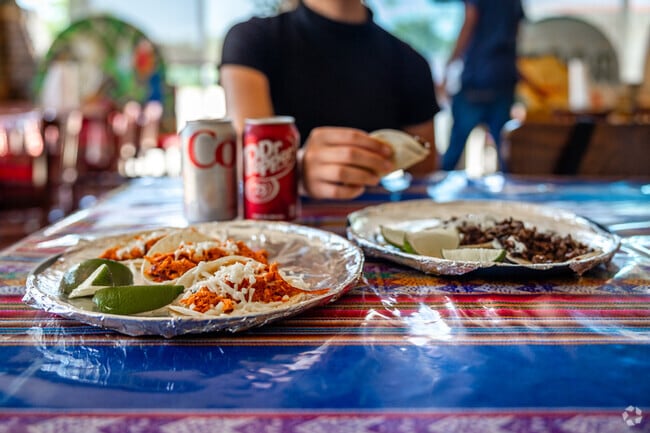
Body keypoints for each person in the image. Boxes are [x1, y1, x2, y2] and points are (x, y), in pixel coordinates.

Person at [219, 0, 439, 200]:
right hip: (278, 228)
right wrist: (297, 169)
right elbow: (245, 152)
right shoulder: (251, 40)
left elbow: (424, 170)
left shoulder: (411, 62)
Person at [442, 0, 524, 172]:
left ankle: (435, 193)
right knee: (506, 152)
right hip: (503, 77)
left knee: (453, 151)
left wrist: (450, 63)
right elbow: (517, 33)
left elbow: (470, 23)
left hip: (477, 77)